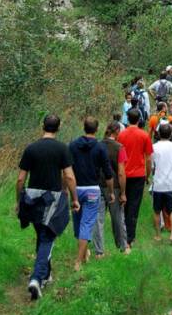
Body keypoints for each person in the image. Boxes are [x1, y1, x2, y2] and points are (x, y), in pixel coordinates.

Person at [16, 114, 79, 301]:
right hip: (52, 198)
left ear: (42, 126)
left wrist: (18, 201)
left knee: (42, 236)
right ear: (58, 128)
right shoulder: (62, 149)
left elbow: (20, 179)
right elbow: (69, 177)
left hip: (32, 199)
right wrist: (74, 198)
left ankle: (46, 275)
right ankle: (36, 278)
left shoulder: (31, 148)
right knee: (47, 238)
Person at [69, 117, 114, 271]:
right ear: (96, 129)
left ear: (84, 128)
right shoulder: (100, 147)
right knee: (87, 224)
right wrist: (111, 192)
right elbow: (108, 173)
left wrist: (65, 189)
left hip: (76, 189)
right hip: (93, 190)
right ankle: (78, 261)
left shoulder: (73, 146)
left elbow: (66, 170)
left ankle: (85, 252)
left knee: (78, 222)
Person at [92, 121, 130, 258]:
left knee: (98, 219)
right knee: (118, 218)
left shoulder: (97, 145)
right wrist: (123, 193)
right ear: (117, 132)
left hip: (97, 185)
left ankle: (99, 251)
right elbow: (121, 172)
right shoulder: (119, 147)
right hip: (114, 187)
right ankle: (123, 246)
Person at [118, 108, 153, 247]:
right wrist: (148, 175)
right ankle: (130, 238)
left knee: (124, 205)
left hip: (124, 174)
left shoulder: (121, 135)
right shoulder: (144, 135)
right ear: (139, 119)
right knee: (134, 206)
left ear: (127, 119)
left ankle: (124, 234)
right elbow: (149, 158)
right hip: (138, 174)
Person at [151, 123, 172, 245]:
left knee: (156, 210)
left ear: (158, 134)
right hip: (171, 184)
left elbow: (153, 166)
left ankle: (158, 235)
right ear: (170, 134)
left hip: (158, 184)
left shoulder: (154, 147)